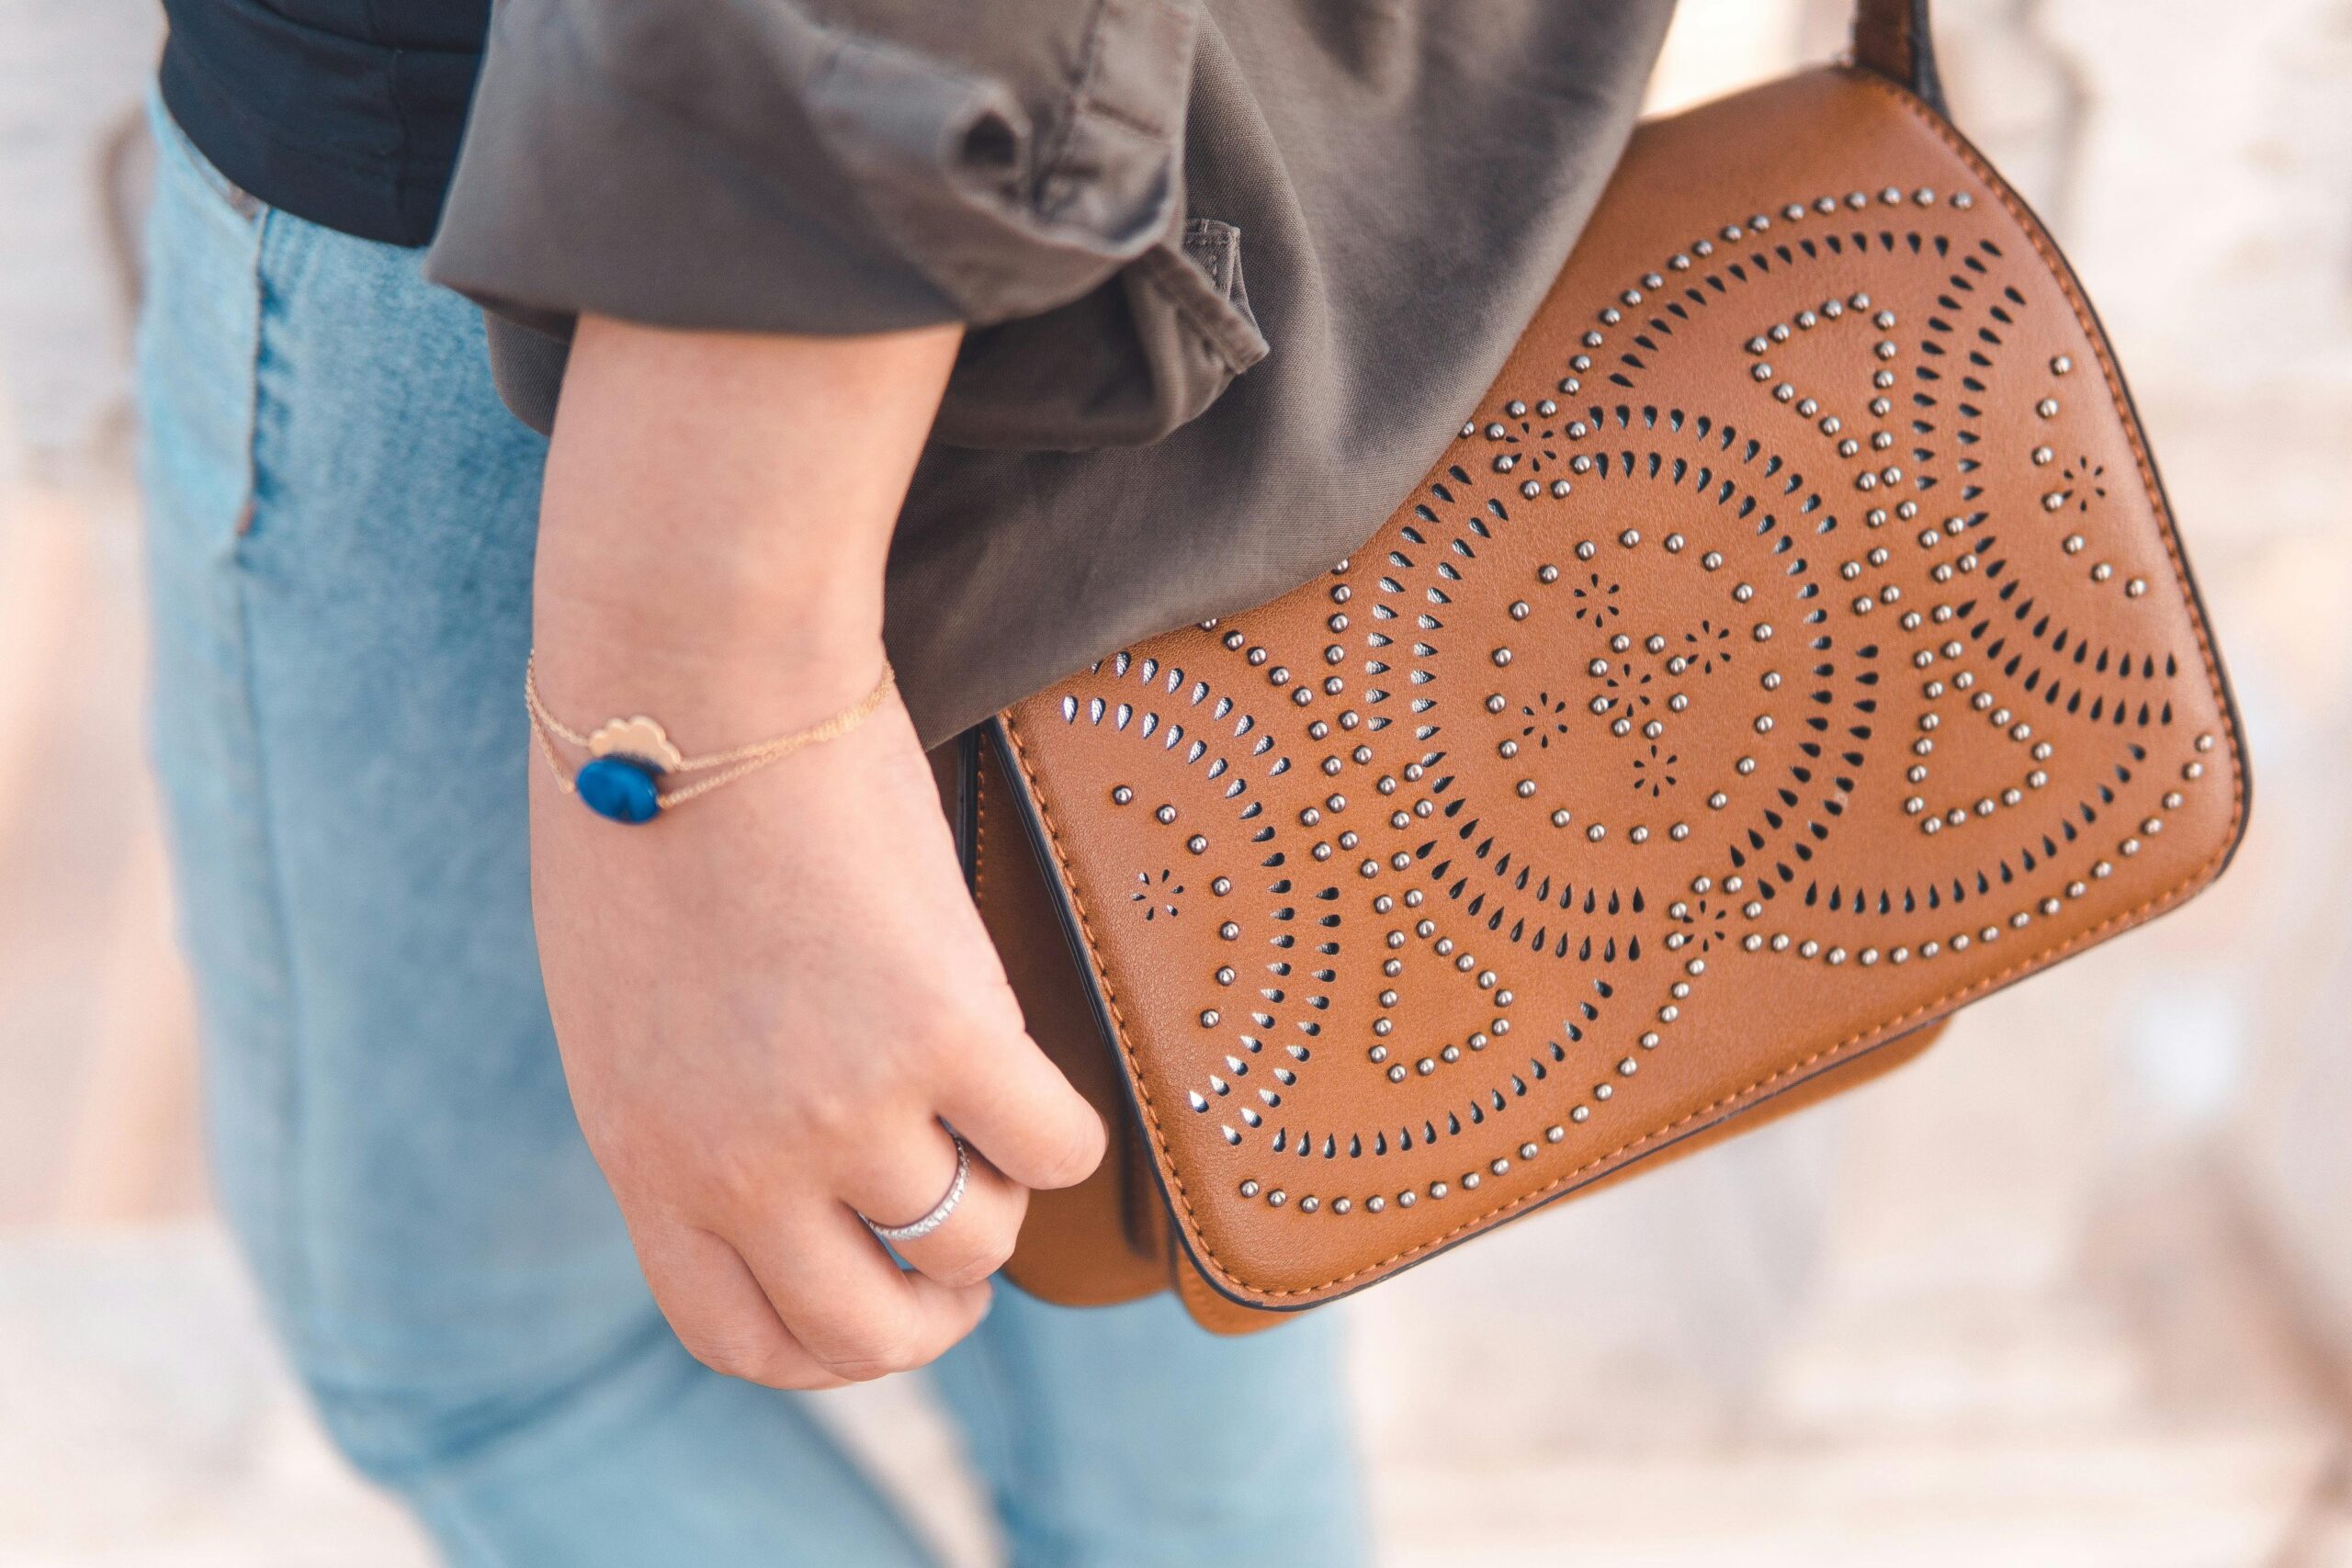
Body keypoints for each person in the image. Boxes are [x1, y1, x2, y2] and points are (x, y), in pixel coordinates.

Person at [137, 0, 1672, 1560]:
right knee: (1182, 1252)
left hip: (632, 247)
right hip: (1306, 128)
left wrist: (698, 677)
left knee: (495, 1368)